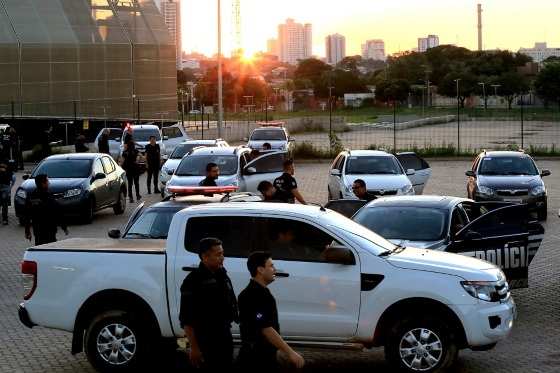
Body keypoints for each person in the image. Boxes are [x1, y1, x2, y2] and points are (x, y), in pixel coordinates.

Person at [238, 252, 305, 372]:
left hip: (264, 355)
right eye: (271, 266)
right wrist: (290, 353)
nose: (274, 269)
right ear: (260, 270)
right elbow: (265, 328)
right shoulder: (252, 295)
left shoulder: (262, 293)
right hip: (255, 359)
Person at [179, 238, 238, 370]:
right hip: (205, 340)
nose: (222, 258)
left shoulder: (222, 274)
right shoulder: (193, 281)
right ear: (205, 256)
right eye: (218, 254)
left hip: (224, 336)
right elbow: (186, 318)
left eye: (222, 253)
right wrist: (194, 348)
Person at [23, 174, 68, 245]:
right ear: (43, 184)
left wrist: (27, 231)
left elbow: (27, 215)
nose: (49, 183)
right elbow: (58, 212)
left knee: (40, 249)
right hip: (49, 229)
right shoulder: (48, 196)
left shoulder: (32, 196)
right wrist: (64, 227)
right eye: (47, 181)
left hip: (39, 230)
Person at [0, 160, 15, 225]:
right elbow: (13, 178)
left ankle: (4, 219)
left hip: (4, 187)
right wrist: (10, 187)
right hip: (6, 187)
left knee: (4, 204)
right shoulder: (9, 168)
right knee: (4, 204)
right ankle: (5, 220)